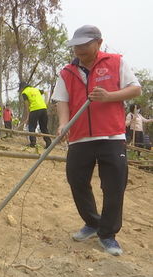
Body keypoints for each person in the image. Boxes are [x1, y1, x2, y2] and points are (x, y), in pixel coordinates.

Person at [53, 25, 141, 256]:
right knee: (76, 180)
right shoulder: (66, 72)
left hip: (111, 136)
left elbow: (135, 89)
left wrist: (109, 96)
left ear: (99, 43)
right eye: (76, 46)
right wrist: (63, 124)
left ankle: (108, 234)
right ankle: (92, 222)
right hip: (79, 137)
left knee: (113, 186)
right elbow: (61, 100)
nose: (79, 50)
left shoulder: (115, 62)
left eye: (84, 45)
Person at [19, 82, 52, 148]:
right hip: (43, 109)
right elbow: (46, 92)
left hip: (34, 109)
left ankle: (33, 143)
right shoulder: (35, 89)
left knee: (31, 126)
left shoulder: (24, 92)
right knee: (44, 127)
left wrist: (28, 116)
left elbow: (27, 104)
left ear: (22, 88)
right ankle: (48, 143)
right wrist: (46, 104)